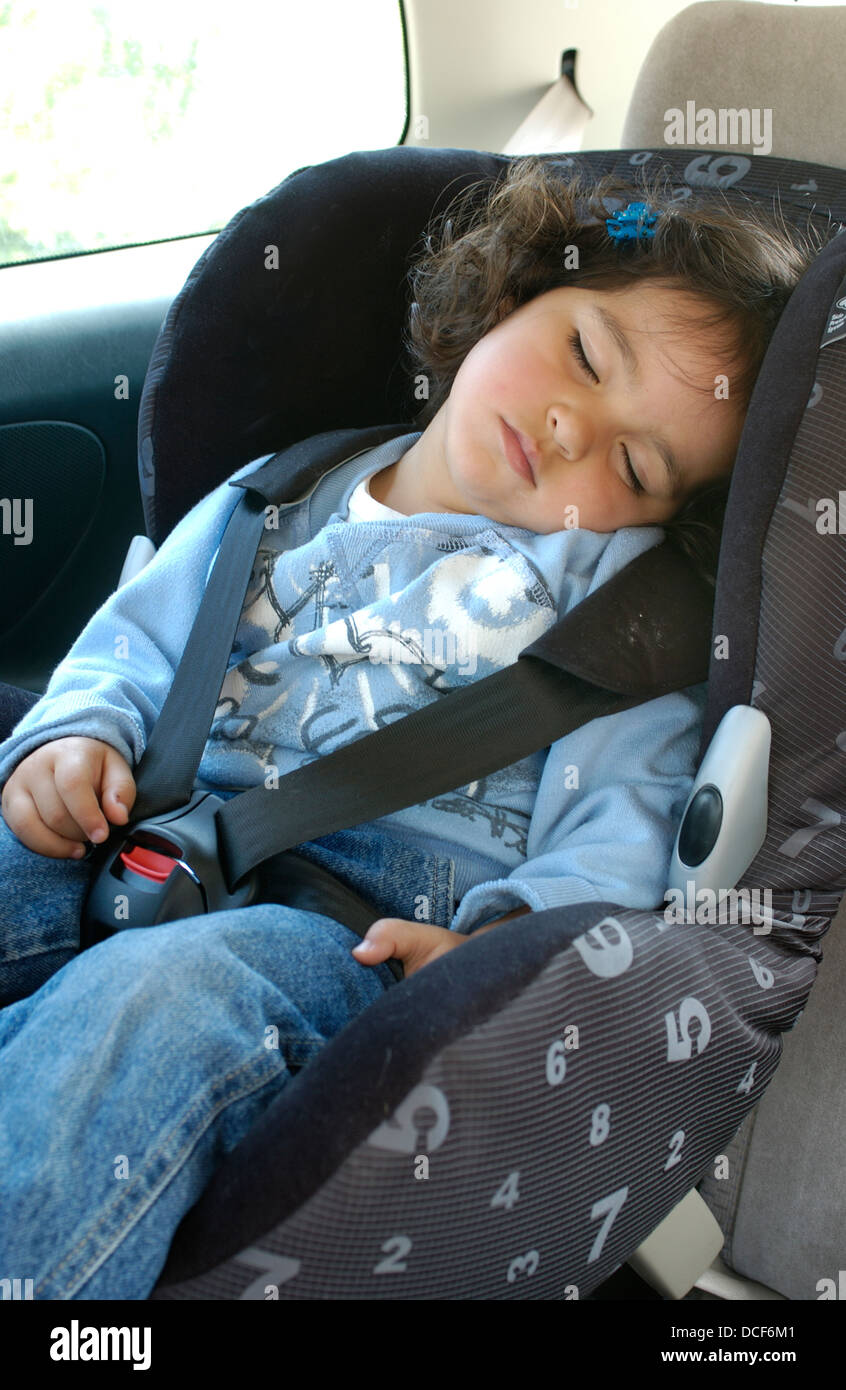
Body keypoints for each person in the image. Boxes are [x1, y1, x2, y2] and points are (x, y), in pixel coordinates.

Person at [0, 158, 825, 1299]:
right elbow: (133, 642)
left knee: (159, 1005)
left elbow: (619, 830)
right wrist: (71, 739)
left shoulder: (622, 619)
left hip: (343, 931)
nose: (570, 428)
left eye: (634, 465)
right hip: (141, 815)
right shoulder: (280, 487)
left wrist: (495, 952)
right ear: (515, 290)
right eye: (587, 355)